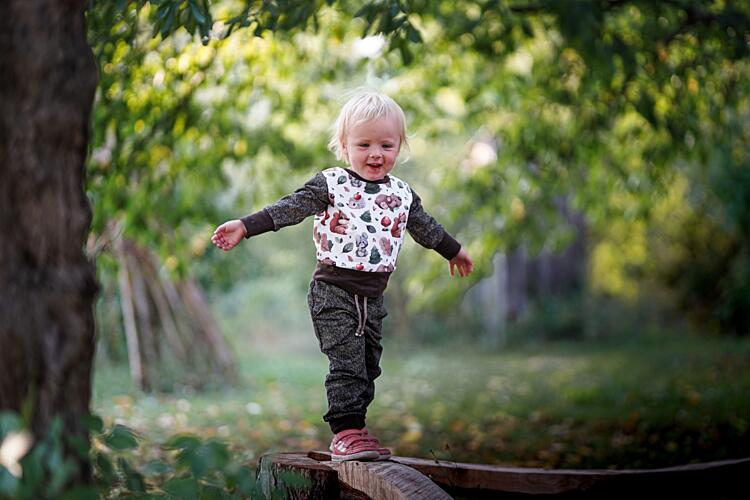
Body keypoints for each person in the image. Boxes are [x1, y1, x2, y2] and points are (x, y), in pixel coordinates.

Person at [211, 89, 474, 462]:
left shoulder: (401, 194)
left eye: (386, 144)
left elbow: (424, 227)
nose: (376, 154)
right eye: (364, 144)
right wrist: (246, 225)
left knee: (368, 367)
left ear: (400, 145)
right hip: (332, 291)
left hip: (373, 298)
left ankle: (357, 429)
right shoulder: (333, 184)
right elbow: (292, 207)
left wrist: (454, 249)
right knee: (347, 362)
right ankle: (346, 432)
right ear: (344, 146)